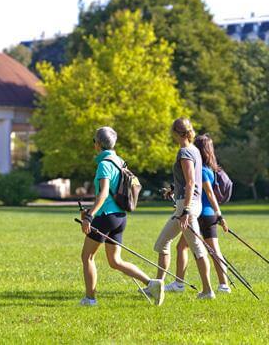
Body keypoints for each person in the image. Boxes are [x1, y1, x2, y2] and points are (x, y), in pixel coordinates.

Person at [80, 126, 164, 306]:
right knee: (115, 261)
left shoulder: (104, 164)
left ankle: (90, 299)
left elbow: (103, 194)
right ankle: (152, 283)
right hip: (119, 217)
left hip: (105, 217)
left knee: (87, 257)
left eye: (94, 141)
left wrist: (90, 216)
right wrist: (90, 211)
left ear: (98, 144)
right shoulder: (119, 161)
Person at [151, 118, 215, 299]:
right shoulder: (194, 150)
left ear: (176, 133)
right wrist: (173, 188)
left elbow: (190, 181)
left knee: (197, 248)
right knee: (162, 243)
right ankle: (157, 286)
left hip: (186, 206)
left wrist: (185, 209)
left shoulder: (185, 152)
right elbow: (188, 179)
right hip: (190, 204)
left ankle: (208, 291)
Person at [165, 134, 231, 293]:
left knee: (187, 248)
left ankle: (180, 284)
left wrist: (219, 215)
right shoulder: (209, 169)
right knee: (208, 249)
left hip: (200, 214)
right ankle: (223, 285)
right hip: (208, 215)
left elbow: (209, 193)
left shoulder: (200, 170)